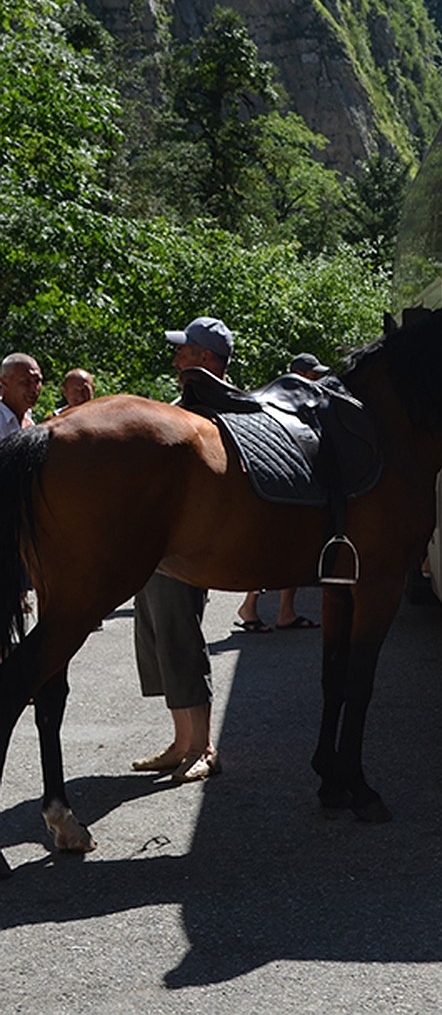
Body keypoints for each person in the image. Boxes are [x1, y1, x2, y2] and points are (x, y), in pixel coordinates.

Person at [131, 316, 234, 783]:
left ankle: (204, 746)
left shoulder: (225, 411)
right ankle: (181, 742)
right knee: (155, 635)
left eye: (185, 353)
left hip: (189, 547)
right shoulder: (181, 407)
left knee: (181, 636)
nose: (176, 360)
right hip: (157, 546)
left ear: (207, 359)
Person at [234, 351, 329, 632]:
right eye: (314, 375)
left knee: (282, 549)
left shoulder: (281, 398)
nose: (318, 380)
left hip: (280, 487)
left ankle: (268, 610)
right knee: (285, 548)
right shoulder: (293, 402)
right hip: (288, 488)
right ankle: (268, 610)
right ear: (302, 374)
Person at [0, 352, 43, 439]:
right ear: (5, 382)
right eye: (26, 382)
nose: (34, 389)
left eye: (37, 381)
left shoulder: (27, 416)